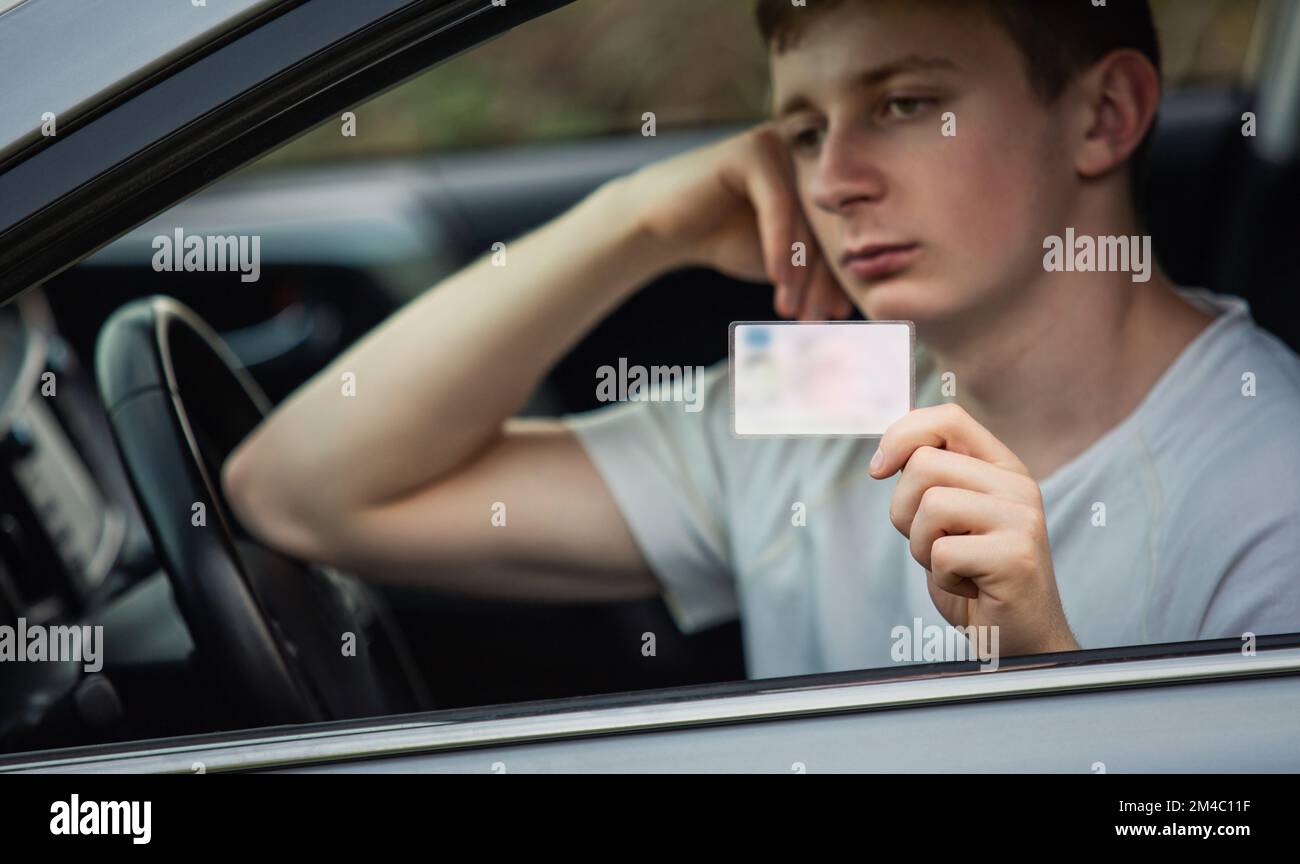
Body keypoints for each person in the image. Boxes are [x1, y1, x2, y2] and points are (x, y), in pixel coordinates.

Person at [221, 0, 1300, 678]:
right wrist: (634, 223)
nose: (832, 180)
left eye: (906, 102)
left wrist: (1046, 674)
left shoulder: (1269, 479)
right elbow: (299, 489)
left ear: (1104, 114)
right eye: (801, 129)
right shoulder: (839, 386)